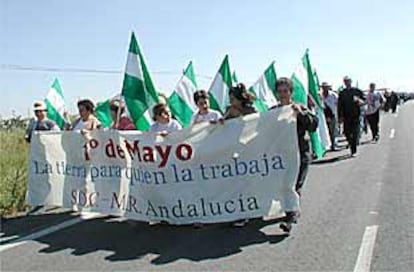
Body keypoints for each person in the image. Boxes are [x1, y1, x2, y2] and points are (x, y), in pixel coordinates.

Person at [270, 77, 318, 233]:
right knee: (284, 184)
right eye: (280, 91)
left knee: (295, 184)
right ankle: (290, 210)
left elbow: (312, 126)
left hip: (300, 152)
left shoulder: (299, 107)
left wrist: (300, 114)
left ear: (291, 92)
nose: (283, 94)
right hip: (282, 155)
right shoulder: (273, 112)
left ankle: (290, 218)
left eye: (286, 91)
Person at [337, 76, 365, 157]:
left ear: (351, 82)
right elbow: (340, 105)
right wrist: (340, 117)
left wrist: (360, 101)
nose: (347, 83)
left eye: (348, 81)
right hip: (346, 116)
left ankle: (353, 150)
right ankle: (350, 142)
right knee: (347, 132)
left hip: (356, 115)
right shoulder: (342, 93)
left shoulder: (357, 91)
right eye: (345, 81)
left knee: (355, 132)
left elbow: (364, 100)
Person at [321, 82, 338, 151]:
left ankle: (333, 145)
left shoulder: (333, 95)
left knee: (333, 131)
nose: (325, 88)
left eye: (326, 87)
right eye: (323, 87)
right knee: (325, 131)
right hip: (323, 116)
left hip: (332, 115)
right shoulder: (320, 95)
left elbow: (338, 104)